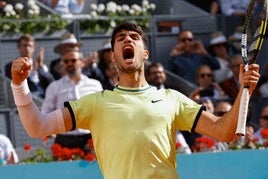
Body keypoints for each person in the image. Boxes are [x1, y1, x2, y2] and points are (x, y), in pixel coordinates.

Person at [10, 22, 260, 178]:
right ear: (113, 57)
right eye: (120, 39)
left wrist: (243, 90)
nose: (127, 40)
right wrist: (19, 85)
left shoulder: (171, 99)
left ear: (146, 53)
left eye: (134, 37)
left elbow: (224, 131)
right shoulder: (94, 103)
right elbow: (37, 127)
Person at [41, 50, 103, 148]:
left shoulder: (95, 85)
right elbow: (46, 111)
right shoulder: (55, 86)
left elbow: (101, 111)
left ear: (82, 62)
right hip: (65, 138)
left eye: (73, 60)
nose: (69, 63)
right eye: (66, 61)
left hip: (90, 137)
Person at [5, 34, 54, 98]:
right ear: (18, 47)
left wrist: (41, 66)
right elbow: (13, 86)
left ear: (33, 48)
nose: (27, 48)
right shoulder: (12, 66)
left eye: (30, 46)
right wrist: (30, 73)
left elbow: (52, 84)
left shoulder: (39, 65)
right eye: (24, 45)